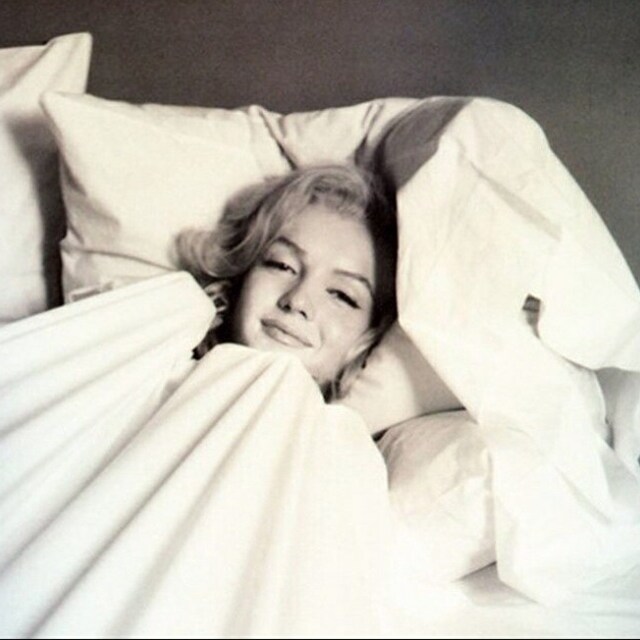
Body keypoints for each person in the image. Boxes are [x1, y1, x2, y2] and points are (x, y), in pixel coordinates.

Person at [178, 163, 397, 400]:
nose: (297, 301)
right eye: (283, 265)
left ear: (373, 337)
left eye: (341, 295)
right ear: (241, 274)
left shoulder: (335, 426)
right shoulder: (163, 356)